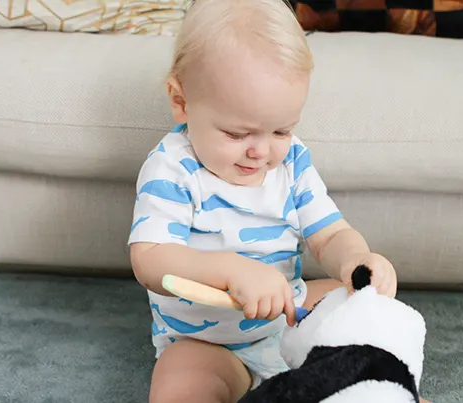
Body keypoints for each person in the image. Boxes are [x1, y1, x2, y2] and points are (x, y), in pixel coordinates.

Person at [128, 1, 427, 402]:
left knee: (361, 312)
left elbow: (330, 233)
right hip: (208, 343)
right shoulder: (172, 169)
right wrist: (232, 271)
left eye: (281, 130)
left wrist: (356, 261)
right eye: (237, 134)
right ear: (181, 102)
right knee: (181, 387)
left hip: (293, 318)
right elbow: (150, 260)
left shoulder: (292, 162)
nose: (261, 152)